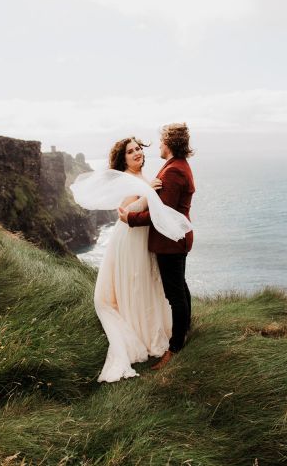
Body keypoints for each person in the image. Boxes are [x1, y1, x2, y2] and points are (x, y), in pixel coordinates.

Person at [70, 136, 192, 383]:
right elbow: (127, 210)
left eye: (138, 149)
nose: (137, 153)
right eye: (130, 151)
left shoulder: (146, 178)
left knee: (147, 283)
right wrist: (149, 195)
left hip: (143, 238)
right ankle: (139, 332)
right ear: (122, 158)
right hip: (130, 238)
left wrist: (150, 191)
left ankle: (157, 328)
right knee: (135, 282)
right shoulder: (128, 179)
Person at [119, 123, 195, 370]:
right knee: (180, 288)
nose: (159, 145)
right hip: (173, 239)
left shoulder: (174, 170)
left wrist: (130, 218)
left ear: (170, 143)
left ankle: (175, 348)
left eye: (162, 141)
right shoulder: (175, 166)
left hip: (170, 241)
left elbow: (163, 213)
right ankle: (185, 331)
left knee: (175, 295)